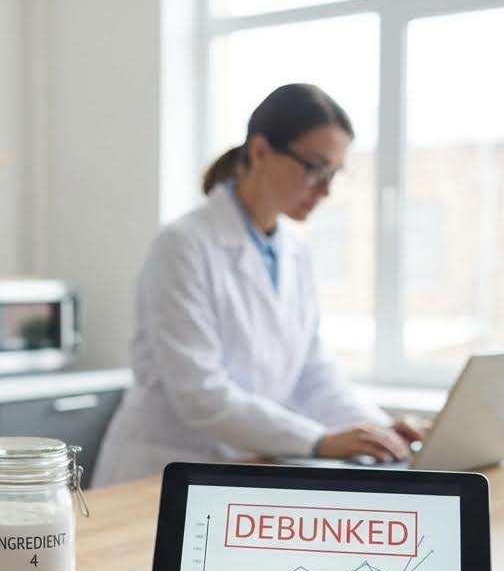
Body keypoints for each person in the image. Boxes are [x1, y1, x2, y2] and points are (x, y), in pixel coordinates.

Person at [94, 83, 423, 487]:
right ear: (261, 151)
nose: (326, 190)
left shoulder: (295, 253)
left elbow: (311, 372)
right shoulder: (183, 245)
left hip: (244, 466)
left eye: (334, 173)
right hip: (164, 469)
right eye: (315, 168)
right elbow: (201, 392)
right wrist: (318, 441)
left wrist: (380, 429)